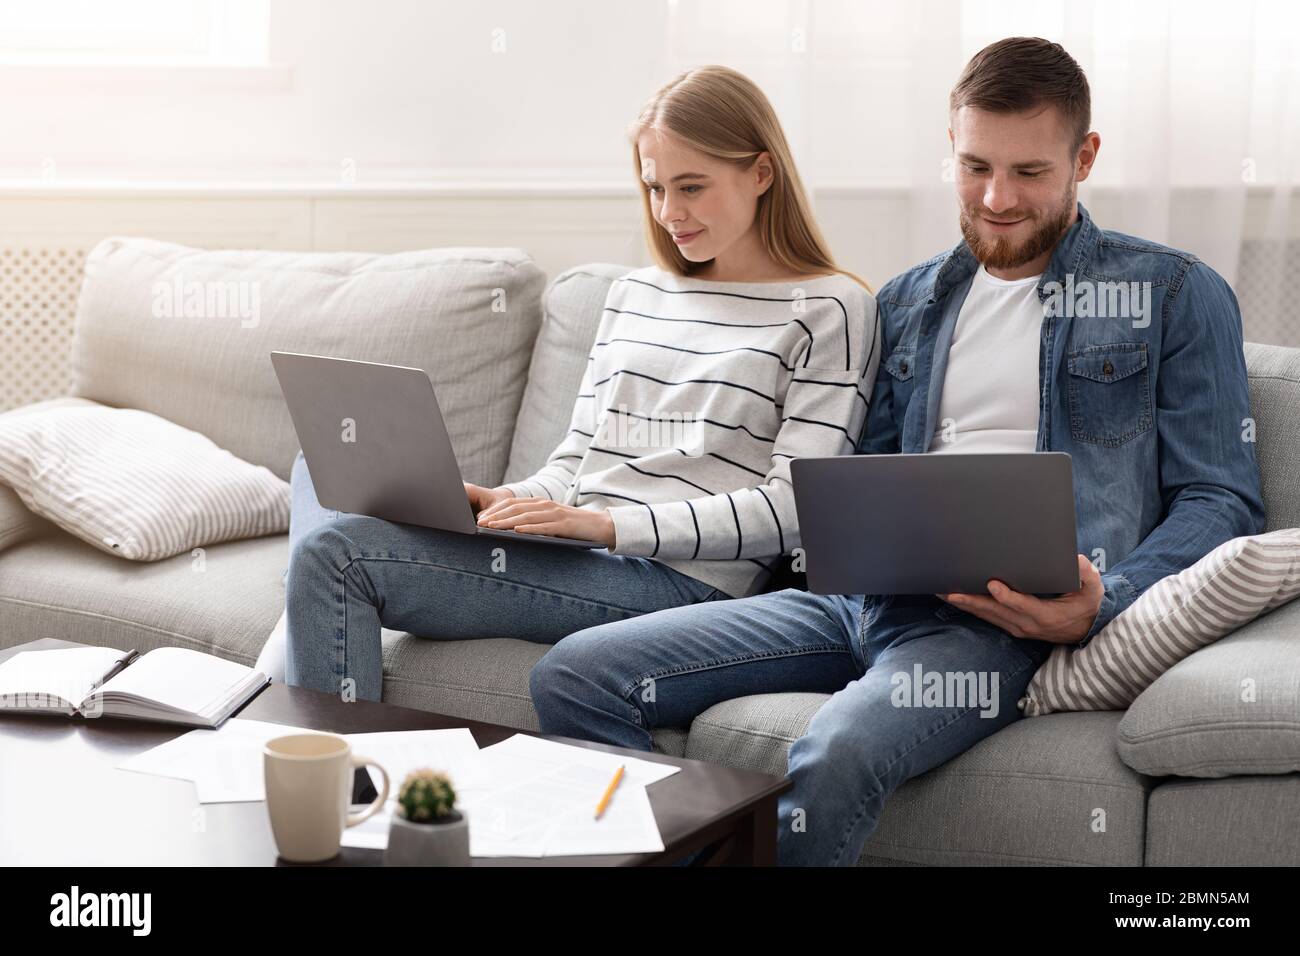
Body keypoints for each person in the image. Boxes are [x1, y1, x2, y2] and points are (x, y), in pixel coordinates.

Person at [528, 37, 1266, 866]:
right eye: (975, 166)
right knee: (576, 673)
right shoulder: (909, 299)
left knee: (838, 746)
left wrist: (1105, 601)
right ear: (950, 152)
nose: (996, 198)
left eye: (1029, 172)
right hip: (856, 604)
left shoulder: (1171, 293)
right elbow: (855, 481)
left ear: (1083, 157)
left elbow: (1222, 501)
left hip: (994, 629)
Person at [275, 65, 880, 701]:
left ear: (761, 173)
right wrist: (506, 503)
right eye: (655, 188)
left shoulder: (829, 309)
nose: (671, 212)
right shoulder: (634, 293)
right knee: (319, 470)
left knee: (336, 556)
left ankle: (332, 784)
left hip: (676, 581)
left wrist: (608, 528)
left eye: (692, 187)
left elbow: (793, 509)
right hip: (580, 552)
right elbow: (577, 458)